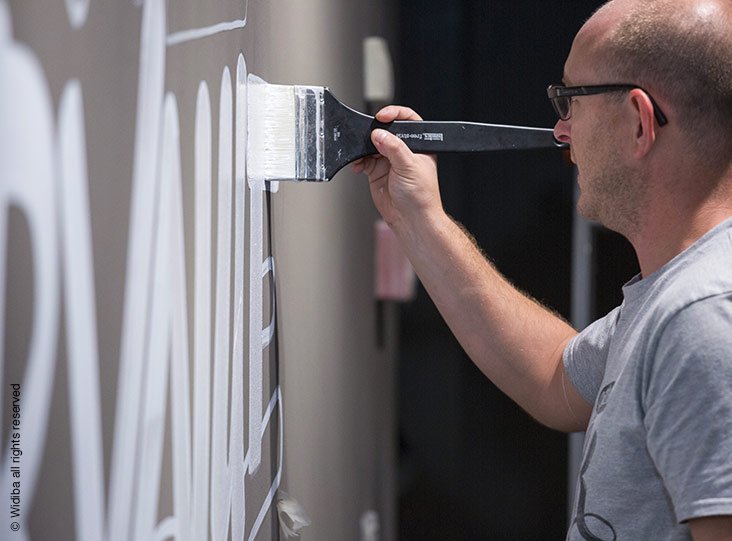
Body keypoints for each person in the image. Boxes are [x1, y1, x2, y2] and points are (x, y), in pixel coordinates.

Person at [353, 0, 732, 538]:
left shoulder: (704, 317)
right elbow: (556, 378)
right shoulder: (677, 296)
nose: (561, 130)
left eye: (571, 100)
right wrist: (420, 218)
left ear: (638, 122)